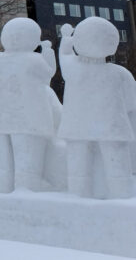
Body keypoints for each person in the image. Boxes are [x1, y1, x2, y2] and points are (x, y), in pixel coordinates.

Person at [58, 18, 135, 199]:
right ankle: (121, 194)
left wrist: (66, 39)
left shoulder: (72, 69)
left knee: (78, 167)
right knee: (117, 165)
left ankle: (79, 196)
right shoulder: (120, 73)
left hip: (77, 127)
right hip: (112, 127)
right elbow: (131, 104)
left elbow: (64, 55)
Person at [0, 18, 62, 192]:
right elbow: (48, 75)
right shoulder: (33, 59)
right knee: (27, 160)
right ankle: (26, 188)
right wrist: (47, 52)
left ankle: (3, 186)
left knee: (4, 162)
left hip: (1, 120)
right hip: (29, 118)